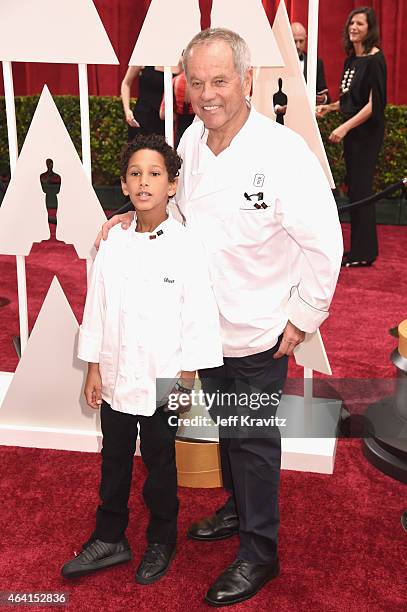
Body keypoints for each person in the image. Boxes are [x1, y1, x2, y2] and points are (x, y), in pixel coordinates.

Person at [100, 28, 343, 606]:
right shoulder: (190, 142)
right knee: (232, 433)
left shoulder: (284, 154)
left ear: (248, 81)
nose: (208, 95)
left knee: (254, 442)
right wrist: (126, 219)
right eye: (198, 83)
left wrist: (304, 315)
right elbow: (175, 208)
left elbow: (326, 243)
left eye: (220, 81)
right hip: (205, 333)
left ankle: (261, 553)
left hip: (262, 330)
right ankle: (239, 510)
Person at [60, 135, 223, 585]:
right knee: (113, 458)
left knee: (159, 462)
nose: (144, 182)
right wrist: (93, 367)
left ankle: (162, 538)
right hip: (114, 372)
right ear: (124, 184)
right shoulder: (113, 241)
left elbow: (197, 313)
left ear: (172, 185)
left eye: (155, 174)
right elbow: (98, 305)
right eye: (135, 174)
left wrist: (187, 376)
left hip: (164, 378)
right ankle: (109, 537)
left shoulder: (187, 246)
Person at [316, 7, 386, 267]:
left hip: (366, 134)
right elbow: (349, 99)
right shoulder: (351, 60)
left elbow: (372, 104)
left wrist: (345, 127)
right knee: (355, 188)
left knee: (362, 189)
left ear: (370, 29)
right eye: (352, 23)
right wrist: (330, 108)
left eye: (360, 23)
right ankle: (358, 250)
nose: (354, 27)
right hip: (354, 133)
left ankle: (365, 252)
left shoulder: (376, 59)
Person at [121, 66, 167, 141]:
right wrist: (127, 110)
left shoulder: (179, 62)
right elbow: (126, 83)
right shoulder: (142, 57)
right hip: (142, 117)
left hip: (165, 119)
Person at [291, 21, 330, 104]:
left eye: (301, 41)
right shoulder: (279, 63)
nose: (298, 46)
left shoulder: (316, 63)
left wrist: (323, 99)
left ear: (306, 39)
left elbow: (325, 95)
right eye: (294, 41)